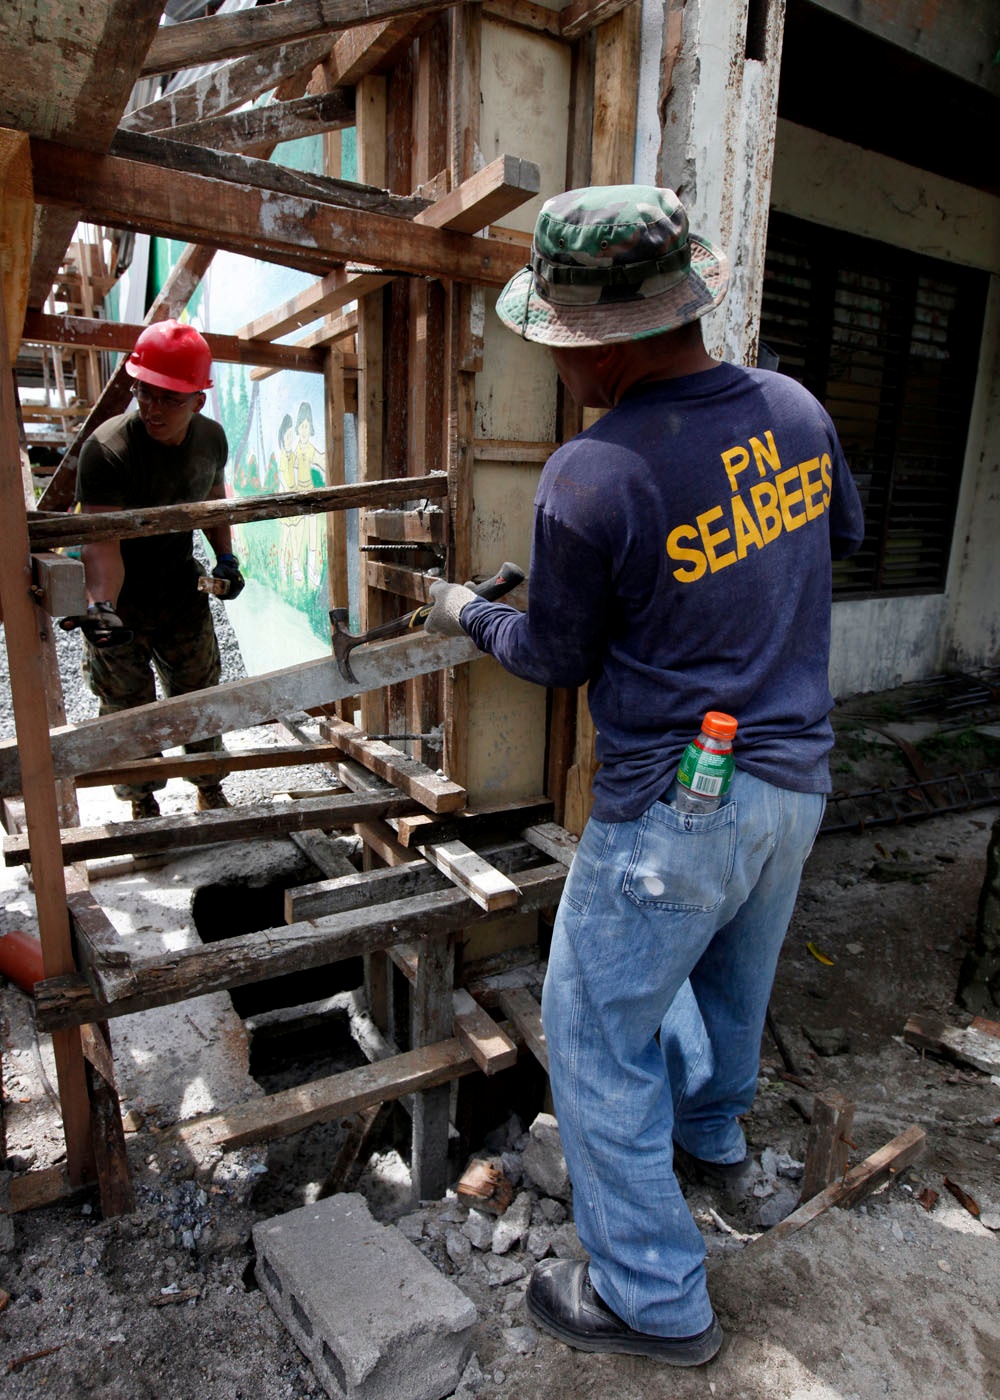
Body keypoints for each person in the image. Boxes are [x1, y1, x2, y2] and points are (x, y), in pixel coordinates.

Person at [425, 186, 865, 1365]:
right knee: (731, 977)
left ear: (603, 342)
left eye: (558, 343)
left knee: (592, 1031)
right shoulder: (797, 411)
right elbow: (835, 541)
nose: (557, 367)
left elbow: (556, 656)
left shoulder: (590, 473)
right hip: (792, 784)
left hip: (676, 804)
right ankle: (714, 1146)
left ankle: (653, 1298)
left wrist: (468, 609)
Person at [68, 319, 245, 819]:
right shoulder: (108, 450)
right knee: (128, 709)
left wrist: (225, 559)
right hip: (120, 599)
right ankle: (142, 802)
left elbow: (214, 502)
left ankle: (209, 788)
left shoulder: (210, 440)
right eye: (145, 392)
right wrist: (100, 608)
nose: (152, 408)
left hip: (180, 589)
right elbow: (102, 544)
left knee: (198, 697)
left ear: (198, 401)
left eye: (169, 398)